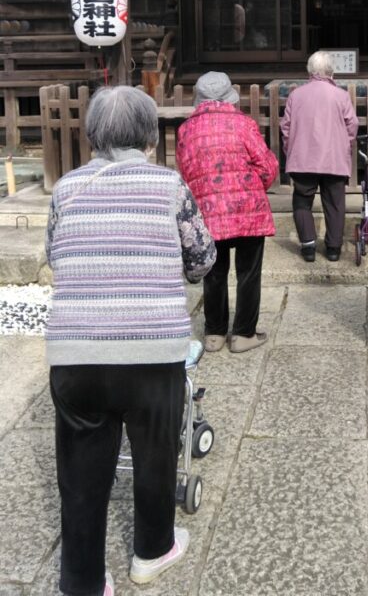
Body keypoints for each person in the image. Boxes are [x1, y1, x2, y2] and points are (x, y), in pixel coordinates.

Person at [45, 86, 216, 596]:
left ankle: (81, 581)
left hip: (76, 354)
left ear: (92, 134)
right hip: (152, 352)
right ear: (148, 134)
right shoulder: (169, 186)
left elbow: (58, 257)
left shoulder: (65, 189)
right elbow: (202, 260)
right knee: (155, 455)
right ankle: (152, 551)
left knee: (79, 474)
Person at [176, 71, 278, 354]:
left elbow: (185, 173)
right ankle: (243, 334)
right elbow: (268, 167)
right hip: (248, 210)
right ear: (227, 96)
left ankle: (215, 333)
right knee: (248, 272)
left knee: (214, 271)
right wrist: (253, 186)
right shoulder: (244, 124)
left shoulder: (186, 130)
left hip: (208, 212)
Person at [280, 50, 359, 262]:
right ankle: (333, 248)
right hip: (333, 158)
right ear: (330, 72)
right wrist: (343, 144)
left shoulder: (296, 95)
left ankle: (307, 246)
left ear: (310, 71)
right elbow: (352, 126)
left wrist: (291, 150)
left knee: (302, 201)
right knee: (334, 203)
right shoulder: (341, 96)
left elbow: (286, 127)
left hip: (303, 158)